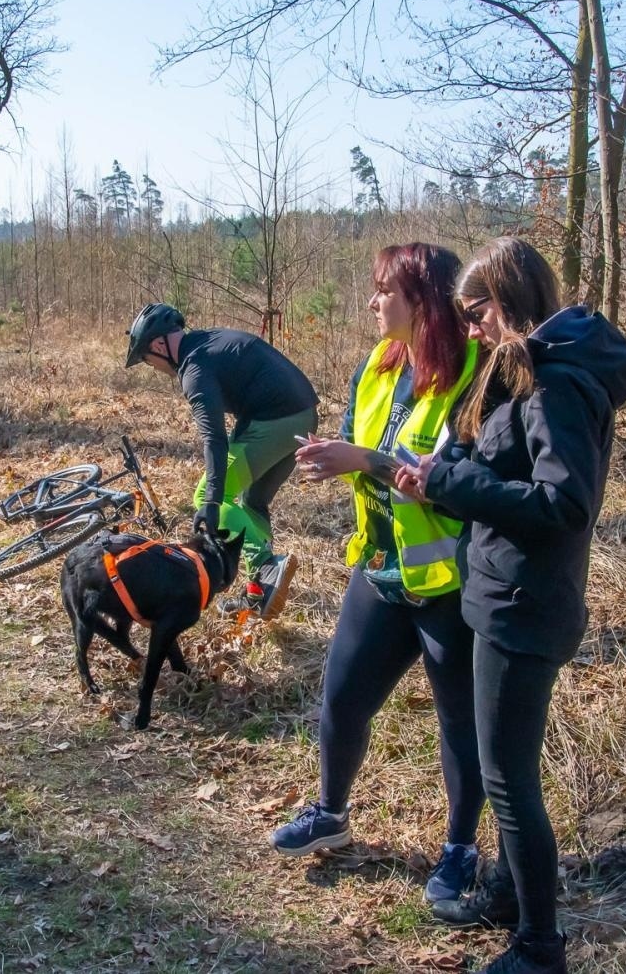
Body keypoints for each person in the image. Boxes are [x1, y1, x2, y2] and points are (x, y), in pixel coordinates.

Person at [396, 237, 626, 974]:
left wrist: (451, 488)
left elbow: (564, 502)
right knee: (504, 768)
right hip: (498, 593)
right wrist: (450, 466)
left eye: (477, 314)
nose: (470, 330)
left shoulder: (557, 382)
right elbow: (499, 456)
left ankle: (539, 947)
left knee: (508, 778)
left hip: (525, 607)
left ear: (509, 302)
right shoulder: (522, 369)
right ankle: (505, 891)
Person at [269, 243, 486, 907]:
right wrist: (328, 453)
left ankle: (459, 851)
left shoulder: (473, 372)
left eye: (384, 290)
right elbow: (354, 436)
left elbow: (460, 484)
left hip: (448, 583)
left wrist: (360, 456)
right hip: (383, 569)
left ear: (421, 300)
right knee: (341, 699)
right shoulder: (379, 363)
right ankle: (331, 813)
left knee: (460, 724)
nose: (372, 302)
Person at [124, 302, 317, 618]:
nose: (153, 367)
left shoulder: (194, 371)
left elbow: (214, 438)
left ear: (158, 345)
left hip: (277, 420)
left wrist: (211, 502)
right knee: (252, 501)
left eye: (146, 360)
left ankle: (268, 566)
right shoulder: (207, 341)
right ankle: (260, 593)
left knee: (207, 495)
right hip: (303, 415)